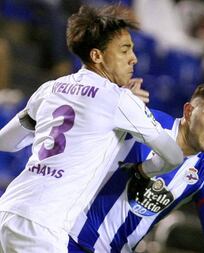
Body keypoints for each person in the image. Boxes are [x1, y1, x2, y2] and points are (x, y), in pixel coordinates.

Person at [0, 5, 184, 252]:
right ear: (97, 56)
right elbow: (173, 155)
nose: (134, 58)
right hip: (43, 228)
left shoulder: (50, 89)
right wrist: (144, 170)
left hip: (8, 211)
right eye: (125, 50)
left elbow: (6, 142)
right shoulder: (120, 100)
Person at [67, 82, 204, 252]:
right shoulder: (150, 123)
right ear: (189, 111)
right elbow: (83, 129)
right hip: (68, 237)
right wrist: (114, 103)